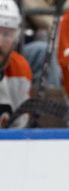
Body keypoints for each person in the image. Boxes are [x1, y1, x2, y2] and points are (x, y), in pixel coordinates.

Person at [0, 0, 31, 128]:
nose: (0, 43)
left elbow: (20, 129)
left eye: (7, 34)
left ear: (16, 37)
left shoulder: (19, 69)